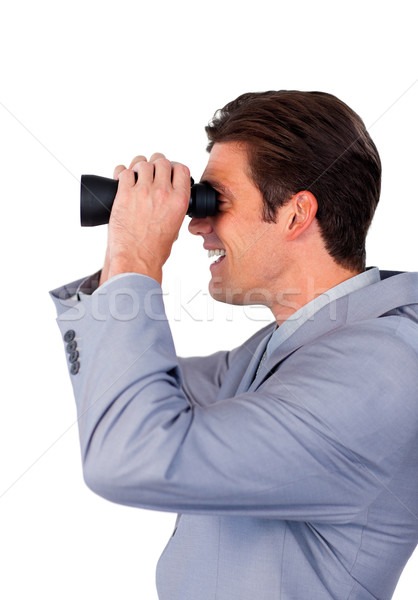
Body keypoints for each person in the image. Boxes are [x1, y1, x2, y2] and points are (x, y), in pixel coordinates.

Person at [50, 91, 418, 600]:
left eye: (215, 201)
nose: (197, 225)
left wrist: (139, 254)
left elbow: (129, 454)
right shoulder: (277, 351)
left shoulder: (382, 369)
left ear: (295, 215)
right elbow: (134, 391)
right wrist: (122, 253)